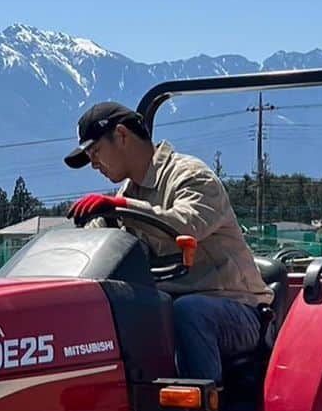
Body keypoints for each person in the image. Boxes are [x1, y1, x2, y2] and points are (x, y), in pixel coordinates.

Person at [64, 101, 272, 382]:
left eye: (96, 151)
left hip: (237, 310)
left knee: (190, 312)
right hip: (168, 305)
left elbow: (185, 225)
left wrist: (121, 205)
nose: (93, 164)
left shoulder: (191, 176)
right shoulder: (130, 193)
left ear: (122, 135)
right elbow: (104, 235)